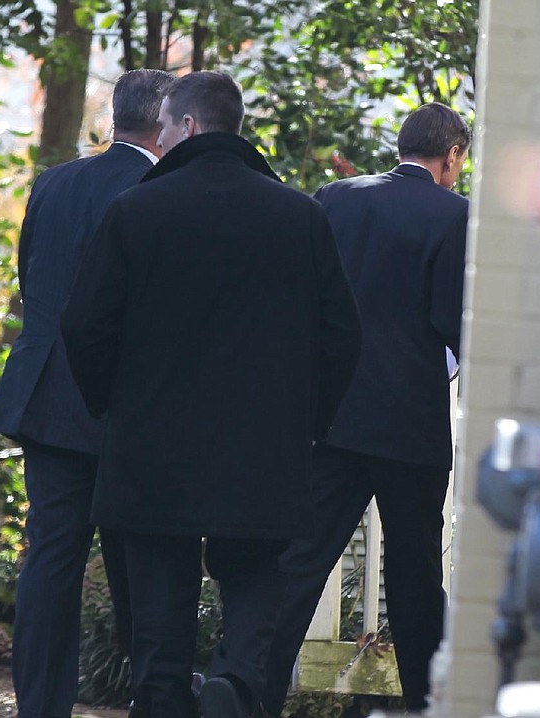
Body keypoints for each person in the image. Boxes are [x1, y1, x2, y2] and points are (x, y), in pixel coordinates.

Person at [60, 70, 362, 718]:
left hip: (152, 446)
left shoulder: (135, 211)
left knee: (158, 605)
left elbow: (84, 326)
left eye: (164, 128)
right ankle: (236, 684)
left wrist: (111, 405)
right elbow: (342, 338)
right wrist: (306, 422)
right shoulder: (300, 216)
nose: (159, 142)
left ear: (189, 127)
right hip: (263, 449)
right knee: (255, 578)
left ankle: (166, 695)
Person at [262, 102, 471, 715]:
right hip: (410, 424)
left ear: (401, 146)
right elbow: (452, 320)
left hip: (335, 416)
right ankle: (425, 704)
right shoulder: (455, 214)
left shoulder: (337, 197)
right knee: (413, 578)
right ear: (452, 155)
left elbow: (307, 298)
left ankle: (252, 688)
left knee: (301, 562)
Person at [0, 68, 175, 718]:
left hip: (49, 398)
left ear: (117, 117)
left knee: (51, 556)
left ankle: (39, 707)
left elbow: (30, 279)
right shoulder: (165, 190)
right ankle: (155, 697)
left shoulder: (55, 182)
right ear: (168, 122)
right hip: (127, 407)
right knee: (142, 566)